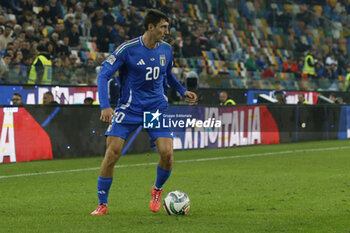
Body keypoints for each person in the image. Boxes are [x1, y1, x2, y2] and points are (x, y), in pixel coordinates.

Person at [90, 9, 197, 216]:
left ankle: (156, 190)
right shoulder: (127, 49)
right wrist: (105, 105)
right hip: (128, 109)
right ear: (151, 27)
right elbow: (103, 75)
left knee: (167, 154)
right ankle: (102, 204)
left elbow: (167, 75)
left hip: (155, 108)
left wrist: (183, 91)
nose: (166, 31)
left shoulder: (166, 50)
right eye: (163, 27)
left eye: (167, 27)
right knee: (112, 154)